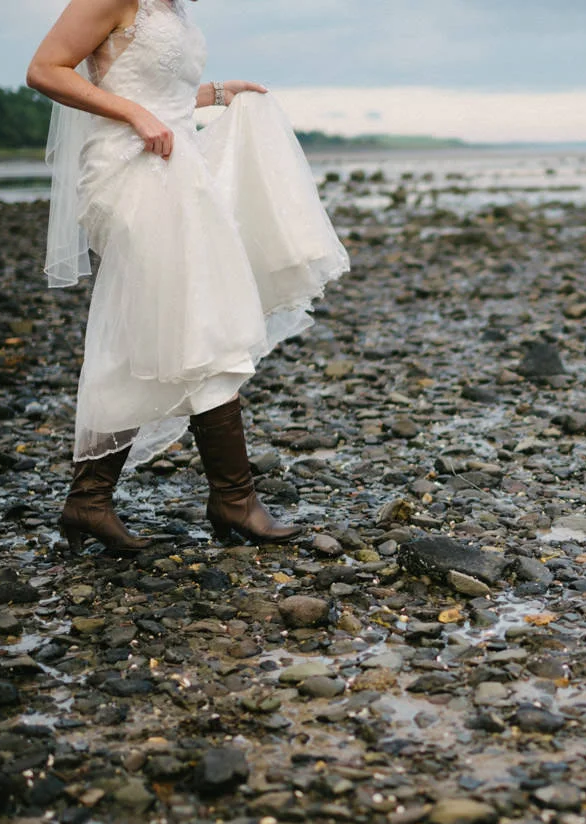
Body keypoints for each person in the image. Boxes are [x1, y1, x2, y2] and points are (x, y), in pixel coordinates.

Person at [26, 0, 348, 552]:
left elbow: (157, 91)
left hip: (178, 168)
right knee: (189, 323)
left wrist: (219, 94)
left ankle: (96, 501)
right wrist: (134, 114)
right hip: (129, 172)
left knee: (172, 329)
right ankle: (229, 500)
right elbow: (45, 70)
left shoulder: (171, 8)